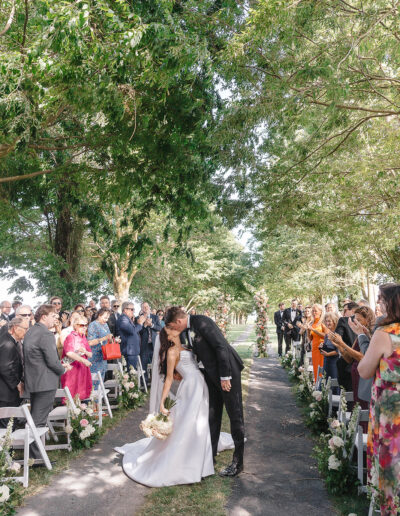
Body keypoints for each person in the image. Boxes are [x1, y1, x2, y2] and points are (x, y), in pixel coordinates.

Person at [116, 324, 236, 486]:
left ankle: (199, 458)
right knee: (188, 420)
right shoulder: (171, 352)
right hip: (190, 388)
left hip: (201, 384)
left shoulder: (185, 347)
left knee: (199, 421)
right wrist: (162, 402)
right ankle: (187, 464)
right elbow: (169, 379)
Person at [166, 306, 244, 477]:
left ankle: (238, 463)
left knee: (235, 415)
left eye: (173, 326)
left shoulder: (201, 322)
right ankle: (210, 455)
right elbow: (203, 350)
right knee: (212, 415)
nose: (174, 329)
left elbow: (220, 347)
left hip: (227, 374)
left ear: (178, 321)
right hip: (211, 375)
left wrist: (225, 376)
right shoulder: (189, 329)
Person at [358, 283, 400, 516]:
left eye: (382, 300)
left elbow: (364, 370)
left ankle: (389, 510)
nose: (379, 304)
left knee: (389, 465)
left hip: (390, 412)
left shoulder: (385, 334)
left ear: (392, 303)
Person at [23, 305, 70, 460]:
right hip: (45, 382)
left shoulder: (30, 331)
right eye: (53, 316)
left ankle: (35, 454)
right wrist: (62, 369)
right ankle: (36, 458)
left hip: (34, 381)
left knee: (35, 418)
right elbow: (51, 360)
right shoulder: (46, 334)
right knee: (38, 422)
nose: (55, 319)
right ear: (43, 316)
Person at [0, 317, 27, 428]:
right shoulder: (8, 344)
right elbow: (5, 367)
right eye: (25, 328)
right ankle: (7, 445)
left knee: (10, 424)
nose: (27, 332)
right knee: (6, 426)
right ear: (15, 328)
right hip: (5, 393)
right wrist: (17, 383)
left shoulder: (10, 340)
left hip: (7, 391)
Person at [61, 316, 93, 401]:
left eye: (86, 325)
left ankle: (82, 412)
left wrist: (85, 352)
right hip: (72, 370)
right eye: (81, 325)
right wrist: (83, 360)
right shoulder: (71, 336)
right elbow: (69, 352)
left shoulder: (83, 337)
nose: (84, 327)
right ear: (75, 325)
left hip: (83, 369)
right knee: (72, 395)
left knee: (83, 394)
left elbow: (90, 354)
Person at [117, 302, 145, 370]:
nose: (133, 311)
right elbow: (132, 330)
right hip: (129, 351)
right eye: (131, 309)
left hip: (132, 351)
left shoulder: (127, 318)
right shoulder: (123, 318)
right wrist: (140, 324)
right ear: (125, 310)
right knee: (131, 375)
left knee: (133, 373)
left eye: (134, 309)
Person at [138, 302, 162, 381]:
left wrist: (151, 325)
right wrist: (144, 325)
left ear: (149, 308)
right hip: (144, 346)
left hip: (154, 345)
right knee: (143, 365)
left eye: (147, 307)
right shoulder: (138, 318)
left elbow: (160, 328)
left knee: (156, 365)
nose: (145, 308)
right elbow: (138, 332)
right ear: (141, 309)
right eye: (143, 307)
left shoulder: (155, 317)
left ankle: (155, 382)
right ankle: (144, 383)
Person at [87, 308, 112, 382]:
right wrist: (104, 338)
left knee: (102, 380)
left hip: (103, 356)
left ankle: (101, 393)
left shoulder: (105, 325)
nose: (106, 320)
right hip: (95, 357)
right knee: (95, 381)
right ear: (99, 315)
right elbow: (90, 342)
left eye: (107, 318)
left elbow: (108, 337)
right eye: (105, 318)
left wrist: (112, 339)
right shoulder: (93, 325)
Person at [319, 312, 339, 393]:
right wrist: (322, 346)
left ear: (334, 321)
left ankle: (334, 402)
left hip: (334, 362)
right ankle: (324, 400)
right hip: (326, 360)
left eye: (329, 321)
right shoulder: (327, 334)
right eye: (326, 321)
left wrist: (328, 354)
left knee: (334, 382)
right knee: (325, 381)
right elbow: (327, 346)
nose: (327, 323)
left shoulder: (337, 334)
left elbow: (339, 350)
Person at [308, 304, 325, 382]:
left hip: (322, 348)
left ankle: (322, 386)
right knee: (315, 367)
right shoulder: (312, 322)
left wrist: (314, 330)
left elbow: (327, 335)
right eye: (313, 311)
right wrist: (308, 330)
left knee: (321, 367)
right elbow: (310, 338)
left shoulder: (323, 322)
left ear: (320, 312)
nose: (314, 313)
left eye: (316, 311)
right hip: (314, 348)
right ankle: (317, 385)